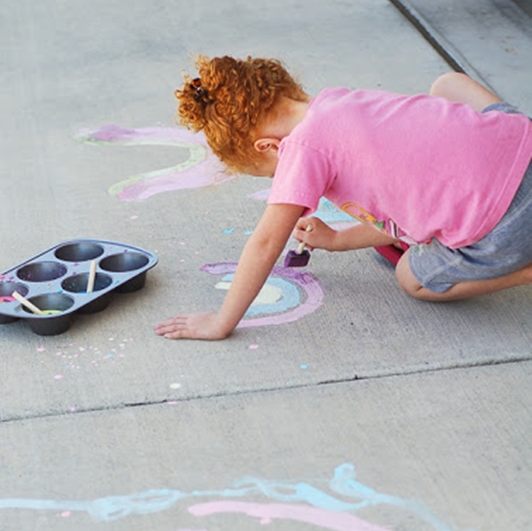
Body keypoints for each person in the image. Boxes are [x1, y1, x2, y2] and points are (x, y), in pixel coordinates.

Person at [154, 55, 532, 341]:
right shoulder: (339, 103)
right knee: (448, 84)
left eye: (272, 173)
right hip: (522, 146)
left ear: (269, 146)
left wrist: (222, 322)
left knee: (412, 279)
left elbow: (266, 243)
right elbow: (411, 201)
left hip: (508, 225)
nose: (283, 180)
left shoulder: (302, 150)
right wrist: (337, 239)